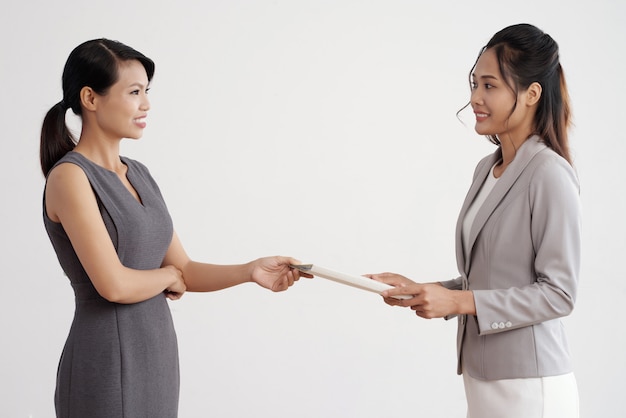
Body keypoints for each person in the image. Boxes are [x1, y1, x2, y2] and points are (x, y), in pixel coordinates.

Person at [40, 38, 308, 418]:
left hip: (158, 356)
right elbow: (113, 285)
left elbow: (187, 268)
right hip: (105, 360)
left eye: (146, 92)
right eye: (134, 92)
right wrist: (167, 276)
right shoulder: (70, 177)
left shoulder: (141, 175)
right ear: (90, 98)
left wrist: (250, 271)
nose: (146, 104)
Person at [368, 24, 581, 417]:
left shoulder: (549, 173)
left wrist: (457, 301)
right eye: (474, 84)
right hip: (482, 382)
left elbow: (559, 294)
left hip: (531, 389)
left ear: (532, 94)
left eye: (489, 86)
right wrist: (425, 289)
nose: (475, 99)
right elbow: (486, 277)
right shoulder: (487, 169)